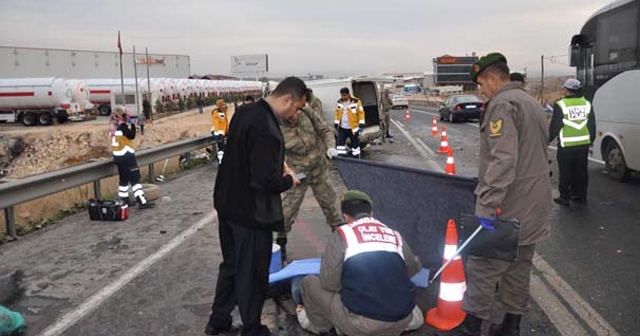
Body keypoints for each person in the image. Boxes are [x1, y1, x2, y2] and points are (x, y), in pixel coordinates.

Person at [451, 53, 552, 336]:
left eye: (481, 83)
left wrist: (486, 205)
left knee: (484, 265)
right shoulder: (530, 101)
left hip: (509, 205)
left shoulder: (502, 105)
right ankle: (511, 324)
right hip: (535, 204)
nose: (481, 91)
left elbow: (503, 161)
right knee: (519, 266)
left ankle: (469, 327)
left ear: (494, 78)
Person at [205, 77, 306, 336]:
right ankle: (252, 328)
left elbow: (247, 155)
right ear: (288, 99)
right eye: (296, 108)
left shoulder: (246, 112)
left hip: (227, 203)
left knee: (232, 265)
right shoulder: (267, 127)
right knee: (251, 272)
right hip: (250, 212)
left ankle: (218, 320)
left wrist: (276, 163)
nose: (295, 114)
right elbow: (264, 180)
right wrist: (288, 179)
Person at [299, 190, 422, 336]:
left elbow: (329, 282)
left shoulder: (343, 234)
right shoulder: (393, 234)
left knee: (309, 283)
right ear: (371, 212)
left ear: (345, 216)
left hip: (362, 324)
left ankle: (323, 328)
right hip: (402, 319)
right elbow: (413, 270)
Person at [279, 106, 341, 261]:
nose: (293, 117)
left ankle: (342, 245)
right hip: (297, 174)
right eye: (289, 116)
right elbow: (273, 152)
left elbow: (325, 130)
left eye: (295, 113)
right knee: (285, 214)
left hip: (319, 169)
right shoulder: (276, 126)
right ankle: (279, 247)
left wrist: (331, 147)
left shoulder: (308, 113)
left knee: (332, 208)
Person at [548, 78, 596, 206]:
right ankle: (581, 196)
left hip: (566, 145)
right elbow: (591, 123)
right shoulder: (586, 104)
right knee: (581, 171)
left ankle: (565, 197)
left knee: (565, 172)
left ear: (566, 90)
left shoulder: (561, 105)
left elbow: (555, 126)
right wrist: (591, 139)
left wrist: (547, 140)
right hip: (583, 144)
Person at [110, 107, 155, 209]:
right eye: (127, 116)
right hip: (127, 156)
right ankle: (141, 200)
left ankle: (124, 200)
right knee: (135, 178)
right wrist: (133, 125)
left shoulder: (113, 128)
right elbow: (132, 136)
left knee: (124, 179)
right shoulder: (123, 126)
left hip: (117, 157)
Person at [334, 87, 365, 157]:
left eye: (345, 95)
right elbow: (337, 113)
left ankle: (357, 158)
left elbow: (361, 113)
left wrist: (361, 124)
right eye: (342, 95)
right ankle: (343, 158)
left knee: (355, 145)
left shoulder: (356, 101)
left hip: (352, 128)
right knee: (339, 144)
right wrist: (336, 123)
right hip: (342, 128)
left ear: (348, 94)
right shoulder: (339, 102)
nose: (343, 97)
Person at [210, 99, 229, 164]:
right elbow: (216, 124)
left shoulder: (223, 112)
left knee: (222, 147)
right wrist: (216, 134)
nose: (225, 105)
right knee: (221, 147)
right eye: (223, 104)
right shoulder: (216, 113)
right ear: (220, 105)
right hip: (218, 133)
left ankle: (222, 160)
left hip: (222, 132)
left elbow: (225, 123)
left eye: (225, 104)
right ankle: (221, 161)